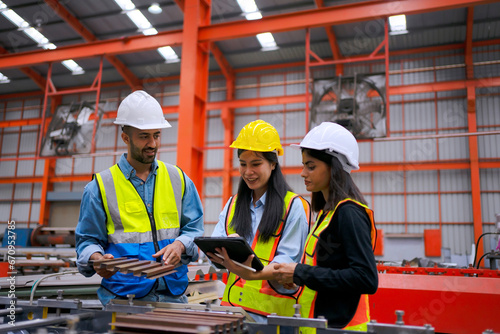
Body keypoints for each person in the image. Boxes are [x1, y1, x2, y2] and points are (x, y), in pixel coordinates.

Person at [75, 90, 204, 306]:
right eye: (144, 136)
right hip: (124, 299)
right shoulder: (100, 188)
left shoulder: (178, 179)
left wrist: (180, 245)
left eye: (157, 135)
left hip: (174, 296)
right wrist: (97, 259)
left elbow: (195, 230)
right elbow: (87, 240)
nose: (152, 143)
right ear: (126, 137)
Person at [272, 122, 378, 332]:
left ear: (335, 168)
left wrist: (301, 273)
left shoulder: (349, 214)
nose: (303, 173)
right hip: (319, 326)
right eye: (304, 165)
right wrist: (296, 278)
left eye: (311, 166)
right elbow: (330, 272)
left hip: (341, 328)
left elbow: (365, 278)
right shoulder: (327, 214)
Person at [209, 120, 311, 323]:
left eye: (256, 164)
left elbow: (288, 261)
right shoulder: (233, 204)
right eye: (243, 164)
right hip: (232, 313)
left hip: (272, 318)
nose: (248, 172)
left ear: (273, 164)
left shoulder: (294, 206)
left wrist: (248, 270)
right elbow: (214, 244)